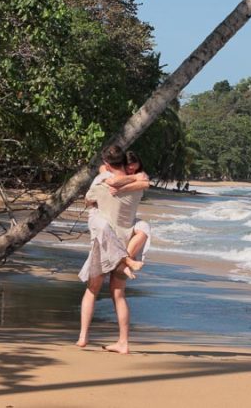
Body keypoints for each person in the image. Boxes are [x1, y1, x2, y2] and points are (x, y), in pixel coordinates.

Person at [76, 145, 149, 354]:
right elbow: (143, 180)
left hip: (103, 243)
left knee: (92, 290)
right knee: (118, 294)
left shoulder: (102, 184)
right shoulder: (138, 187)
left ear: (107, 164)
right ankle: (123, 342)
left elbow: (88, 200)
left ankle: (83, 337)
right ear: (126, 165)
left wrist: (104, 179)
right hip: (126, 242)